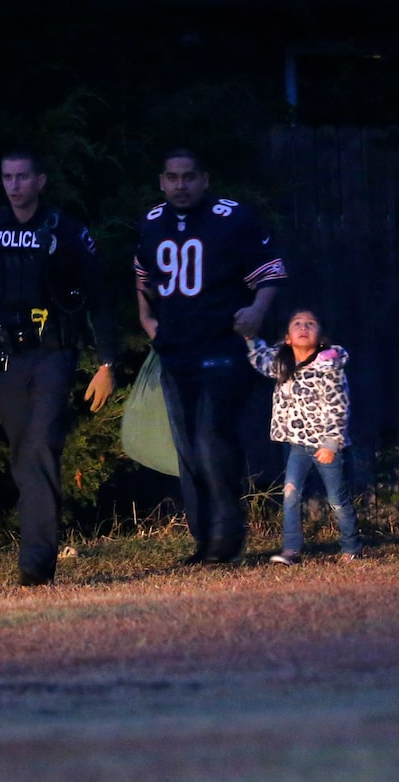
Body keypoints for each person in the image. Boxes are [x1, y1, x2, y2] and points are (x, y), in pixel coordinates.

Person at [0, 151, 119, 587]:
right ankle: (36, 554)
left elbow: (101, 297)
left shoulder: (67, 232)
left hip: (53, 353)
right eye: (7, 177)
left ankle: (35, 564)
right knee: (22, 454)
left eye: (23, 177)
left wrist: (107, 362)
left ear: (40, 181)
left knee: (41, 446)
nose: (14, 185)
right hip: (6, 358)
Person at [134, 148, 287, 565]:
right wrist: (146, 317)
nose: (180, 186)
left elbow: (270, 270)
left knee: (211, 434)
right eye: (172, 177)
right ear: (161, 181)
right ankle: (204, 541)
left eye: (188, 177)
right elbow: (143, 274)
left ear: (204, 179)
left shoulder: (231, 218)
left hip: (222, 344)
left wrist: (256, 310)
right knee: (186, 445)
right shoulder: (151, 223)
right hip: (176, 346)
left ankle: (227, 534)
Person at [245, 308, 361, 564]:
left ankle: (351, 548)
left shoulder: (328, 365)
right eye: (297, 323)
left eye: (310, 323)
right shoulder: (283, 365)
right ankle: (291, 550)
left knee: (336, 499)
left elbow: (339, 404)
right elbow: (262, 360)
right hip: (297, 446)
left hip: (325, 446)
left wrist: (332, 442)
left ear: (320, 337)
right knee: (290, 494)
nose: (303, 327)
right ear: (288, 337)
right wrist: (250, 337)